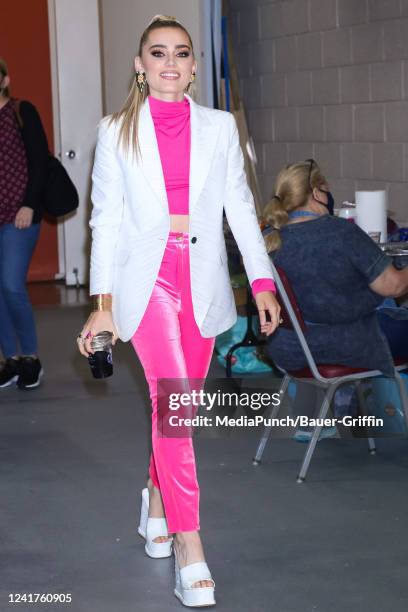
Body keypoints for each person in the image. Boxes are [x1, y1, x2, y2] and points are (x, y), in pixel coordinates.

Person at [76, 15, 280, 608]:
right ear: (140, 65)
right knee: (177, 411)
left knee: (178, 406)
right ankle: (191, 544)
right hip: (149, 283)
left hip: (205, 282)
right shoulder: (116, 131)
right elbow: (105, 222)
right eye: (157, 53)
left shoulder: (219, 128)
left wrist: (261, 281)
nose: (170, 63)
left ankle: (156, 501)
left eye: (182, 54)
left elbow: (240, 208)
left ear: (194, 68)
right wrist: (103, 305)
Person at [263, 159, 408, 436]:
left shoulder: (271, 238)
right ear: (317, 193)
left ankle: (313, 421)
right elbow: (394, 287)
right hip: (347, 345)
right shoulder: (342, 232)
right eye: (326, 189)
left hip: (289, 348)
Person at [0, 58, 48, 390]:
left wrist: (30, 204)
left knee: (12, 285)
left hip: (20, 216)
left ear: (5, 80)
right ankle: (10, 360)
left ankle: (30, 356)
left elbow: (40, 162)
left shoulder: (22, 112)